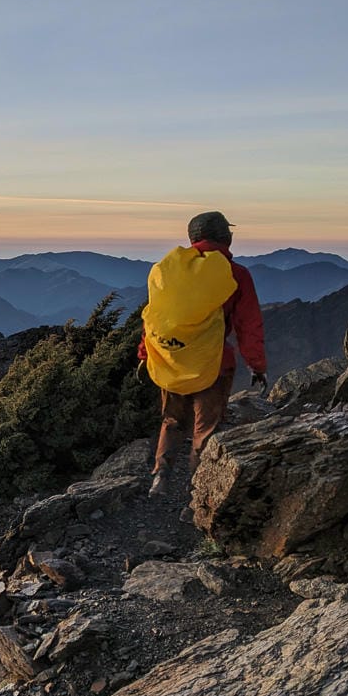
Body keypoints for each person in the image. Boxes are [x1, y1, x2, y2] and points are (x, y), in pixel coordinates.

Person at [140, 211, 267, 496]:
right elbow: (249, 324)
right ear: (226, 237)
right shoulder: (235, 274)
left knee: (172, 420)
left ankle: (161, 475)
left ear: (193, 238)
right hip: (214, 364)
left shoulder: (168, 270)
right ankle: (198, 491)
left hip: (171, 359)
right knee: (205, 428)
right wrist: (257, 365)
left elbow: (155, 317)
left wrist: (145, 354)